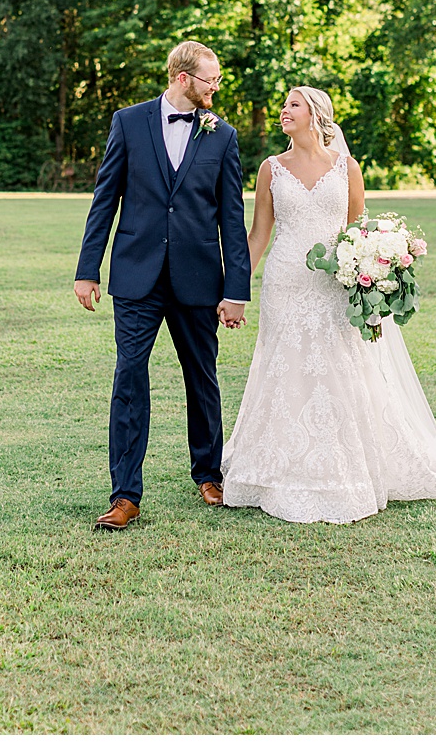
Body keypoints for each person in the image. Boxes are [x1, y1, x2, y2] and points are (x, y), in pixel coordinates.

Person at [220, 86, 436, 523]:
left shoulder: (347, 168)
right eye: (284, 105)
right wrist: (235, 291)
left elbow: (357, 233)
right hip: (285, 284)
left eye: (293, 105)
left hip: (332, 285)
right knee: (284, 367)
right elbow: (259, 235)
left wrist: (369, 274)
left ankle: (348, 464)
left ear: (316, 115)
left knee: (340, 369)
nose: (283, 111)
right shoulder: (271, 169)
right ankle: (278, 464)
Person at [73, 40, 251, 531]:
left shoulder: (223, 136)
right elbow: (104, 199)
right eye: (209, 79)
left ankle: (209, 473)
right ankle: (125, 495)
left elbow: (233, 223)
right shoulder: (128, 123)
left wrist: (236, 290)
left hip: (198, 279)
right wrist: (88, 269)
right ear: (181, 77)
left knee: (203, 378)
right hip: (137, 276)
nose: (215, 87)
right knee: (129, 377)